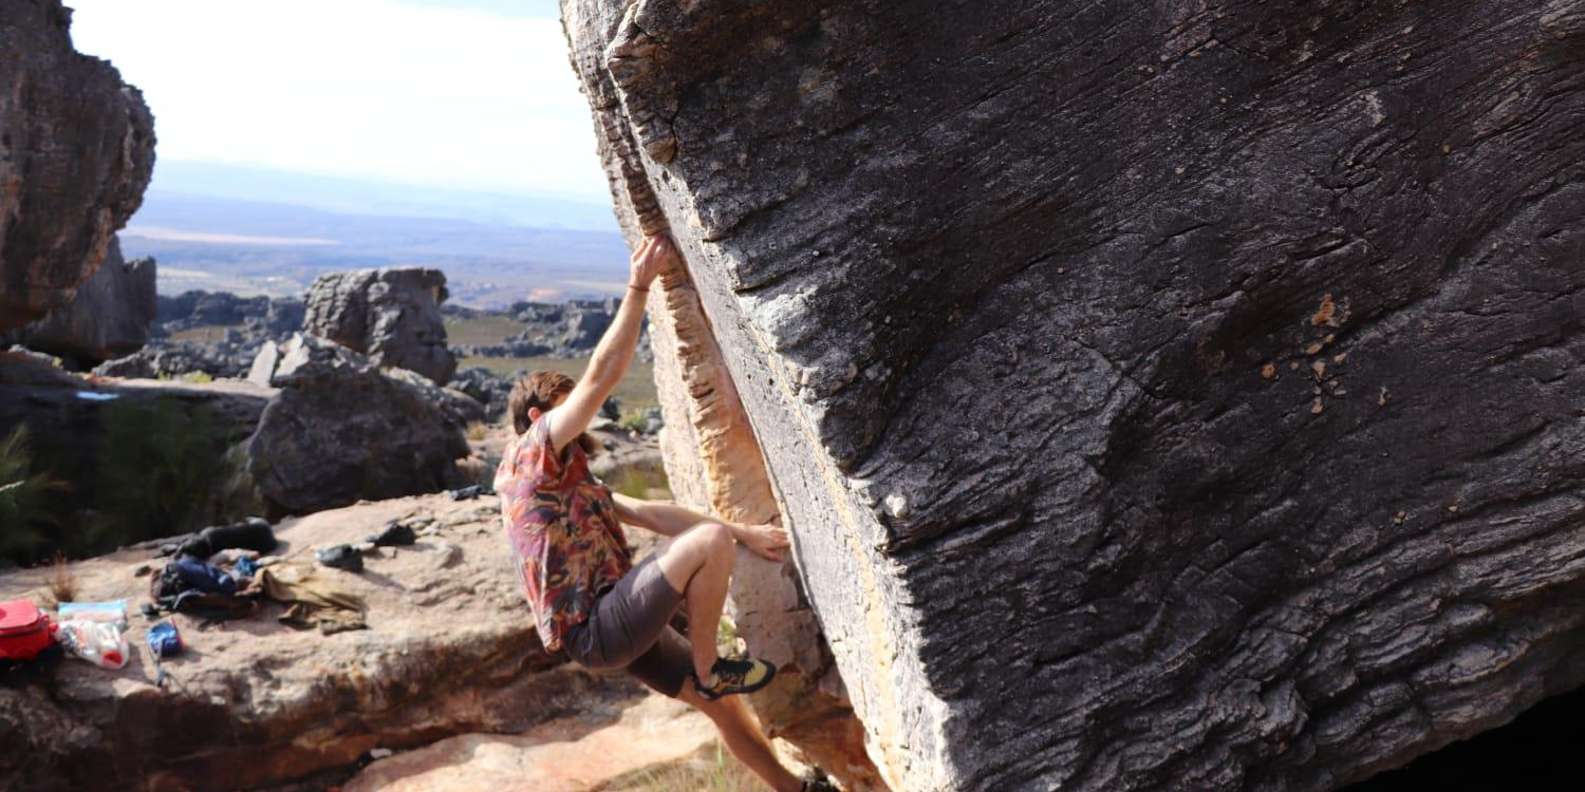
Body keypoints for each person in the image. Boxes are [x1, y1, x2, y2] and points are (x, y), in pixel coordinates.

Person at [495, 235, 828, 792]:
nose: (580, 418)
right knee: (708, 545)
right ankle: (710, 666)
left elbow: (647, 512)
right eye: (563, 408)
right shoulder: (531, 455)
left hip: (607, 626)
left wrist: (745, 531)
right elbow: (602, 377)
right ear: (536, 416)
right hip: (600, 627)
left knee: (717, 708)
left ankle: (794, 790)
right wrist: (638, 286)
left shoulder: (570, 481)